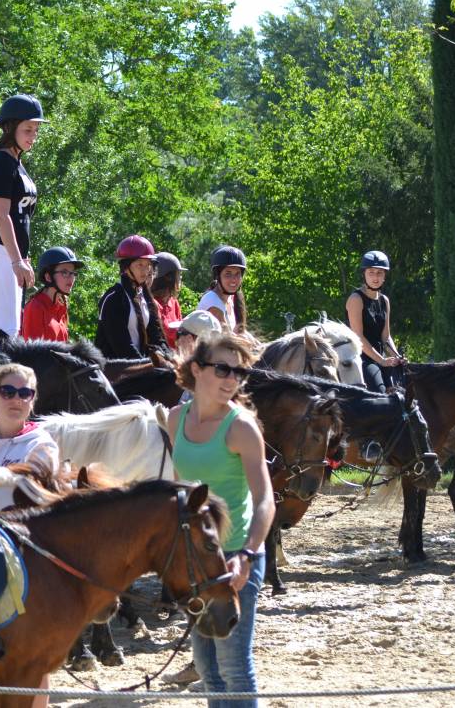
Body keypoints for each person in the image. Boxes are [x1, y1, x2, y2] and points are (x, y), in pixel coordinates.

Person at [165, 332, 275, 708]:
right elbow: (180, 492)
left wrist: (246, 554)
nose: (232, 379)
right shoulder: (174, 419)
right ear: (196, 369)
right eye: (223, 368)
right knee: (207, 667)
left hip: (235, 557)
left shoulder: (241, 427)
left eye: (239, 372)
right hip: (195, 559)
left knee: (234, 668)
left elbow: (265, 501)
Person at [0, 94, 43, 346]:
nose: (33, 135)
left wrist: (22, 258)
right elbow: (1, 216)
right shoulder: (2, 162)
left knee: (12, 331)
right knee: (6, 330)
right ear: (10, 128)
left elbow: (21, 218)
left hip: (9, 254)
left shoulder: (17, 162)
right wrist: (16, 260)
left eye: (36, 130)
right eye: (27, 129)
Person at [95, 235, 171, 359]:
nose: (145, 270)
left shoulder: (145, 296)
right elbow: (122, 346)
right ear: (126, 267)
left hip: (137, 365)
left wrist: (169, 357)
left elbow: (156, 336)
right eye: (139, 265)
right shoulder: (113, 298)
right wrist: (144, 367)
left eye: (148, 265)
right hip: (112, 369)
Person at [0, 363, 60, 470]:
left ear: (32, 402)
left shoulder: (41, 447)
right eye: (8, 392)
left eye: (25, 393)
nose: (17, 399)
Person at [345, 250, 407, 392]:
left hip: (380, 358)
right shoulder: (356, 299)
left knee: (405, 388)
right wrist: (382, 361)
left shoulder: (385, 301)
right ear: (364, 274)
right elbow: (358, 337)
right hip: (360, 359)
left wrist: (397, 357)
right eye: (371, 272)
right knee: (380, 393)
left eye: (380, 273)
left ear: (384, 276)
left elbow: (385, 337)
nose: (375, 277)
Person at [21, 247, 82, 342]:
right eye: (64, 272)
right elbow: (33, 354)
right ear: (48, 277)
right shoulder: (35, 307)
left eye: (73, 273)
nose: (71, 278)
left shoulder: (62, 307)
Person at [200, 245, 248, 334]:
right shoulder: (212, 301)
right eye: (228, 274)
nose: (233, 279)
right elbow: (228, 338)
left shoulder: (230, 300)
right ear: (217, 275)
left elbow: (241, 333)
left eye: (237, 274)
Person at [153, 251, 187, 348]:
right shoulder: (153, 303)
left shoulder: (173, 302)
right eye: (178, 274)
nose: (180, 277)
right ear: (168, 277)